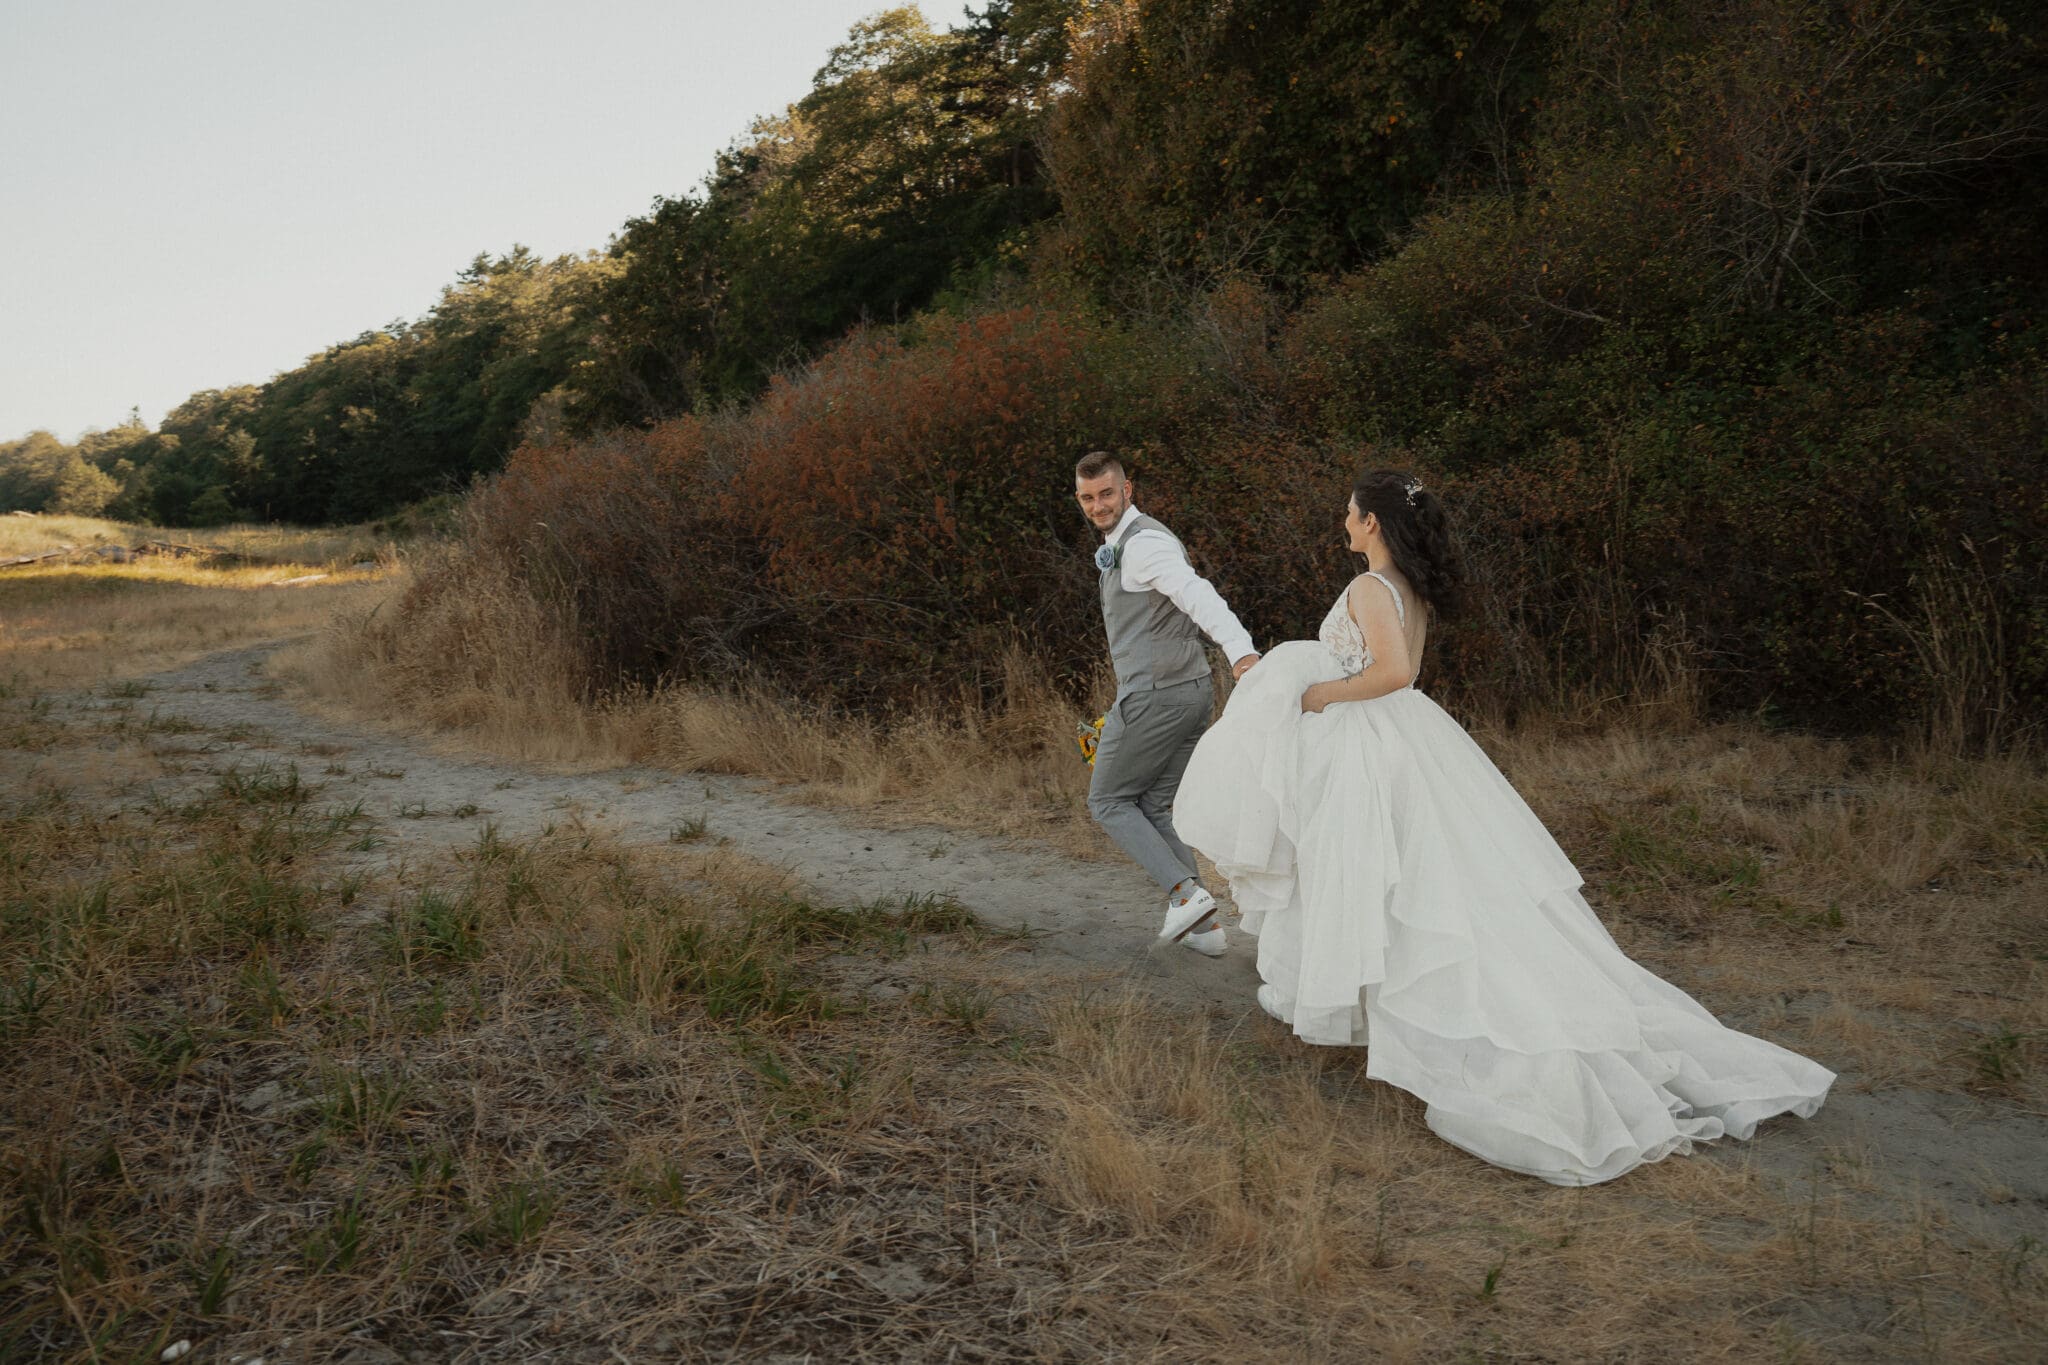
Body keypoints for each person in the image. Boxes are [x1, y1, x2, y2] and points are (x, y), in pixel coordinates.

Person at [1173, 468, 1833, 1185]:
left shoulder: (1371, 586)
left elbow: (1393, 672)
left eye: (1350, 511)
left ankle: (1453, 1030)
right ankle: (1385, 1011)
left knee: (1392, 882)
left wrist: (1320, 693)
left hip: (1371, 740)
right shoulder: (1408, 589)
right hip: (1404, 740)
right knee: (1421, 881)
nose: (1344, 520)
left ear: (1372, 523)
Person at [1074, 450, 1260, 956]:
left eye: (1107, 493)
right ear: (1080, 499)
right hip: (1191, 692)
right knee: (1155, 804)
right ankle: (1205, 930)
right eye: (1088, 497)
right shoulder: (1130, 542)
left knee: (1108, 801)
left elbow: (1199, 595)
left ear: (1127, 490)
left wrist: (1241, 653)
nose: (1098, 505)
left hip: (1157, 696)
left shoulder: (1144, 545)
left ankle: (1184, 894)